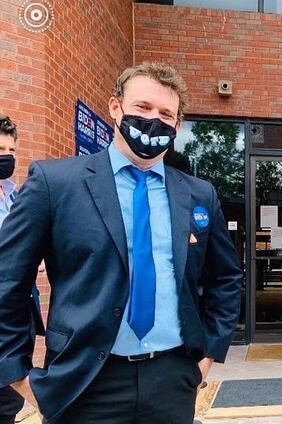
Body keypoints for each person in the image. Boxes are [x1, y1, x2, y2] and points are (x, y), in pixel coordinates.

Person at [0, 62, 243, 424]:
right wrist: (17, 376)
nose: (153, 121)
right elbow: (7, 281)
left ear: (177, 125)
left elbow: (226, 278)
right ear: (115, 108)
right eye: (142, 108)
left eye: (166, 114)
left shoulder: (198, 194)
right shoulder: (55, 184)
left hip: (172, 377)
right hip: (84, 380)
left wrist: (207, 357)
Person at [0, 115, 44, 424]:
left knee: (8, 404)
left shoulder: (13, 195)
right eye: (0, 149)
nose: (6, 157)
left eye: (11, 150)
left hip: (15, 317)